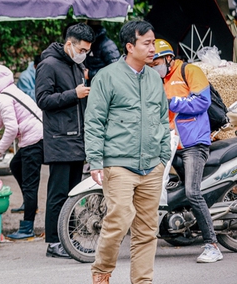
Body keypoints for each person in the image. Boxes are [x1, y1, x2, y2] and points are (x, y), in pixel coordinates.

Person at [85, 20, 171, 284]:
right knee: (119, 219)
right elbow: (94, 121)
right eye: (146, 43)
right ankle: (102, 272)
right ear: (130, 46)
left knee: (147, 231)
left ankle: (142, 281)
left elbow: (163, 120)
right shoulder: (107, 77)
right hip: (118, 164)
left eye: (153, 43)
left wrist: (164, 155)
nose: (152, 49)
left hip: (151, 166)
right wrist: (96, 161)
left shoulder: (155, 80)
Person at [150, 39, 222, 263]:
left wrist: (172, 102)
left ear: (169, 58)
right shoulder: (161, 81)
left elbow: (202, 101)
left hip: (194, 144)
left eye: (157, 62)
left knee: (192, 192)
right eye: (152, 64)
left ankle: (212, 245)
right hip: (171, 145)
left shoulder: (190, 70)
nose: (155, 67)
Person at [35, 22, 94, 258]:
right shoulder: (48, 65)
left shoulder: (75, 66)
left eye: (87, 51)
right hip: (59, 139)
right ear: (69, 44)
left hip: (77, 139)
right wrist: (74, 94)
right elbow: (43, 99)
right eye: (82, 50)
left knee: (72, 194)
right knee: (58, 194)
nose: (84, 55)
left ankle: (68, 240)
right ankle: (53, 242)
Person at [0, 64, 44, 239]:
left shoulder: (2, 99)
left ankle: (27, 227)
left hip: (34, 139)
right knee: (16, 165)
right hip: (36, 136)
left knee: (30, 184)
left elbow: (11, 129)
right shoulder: (8, 92)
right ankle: (29, 203)